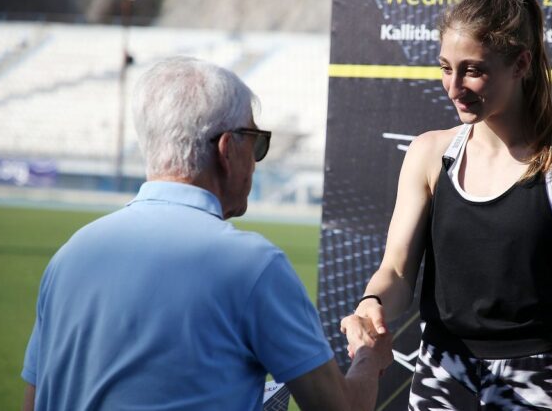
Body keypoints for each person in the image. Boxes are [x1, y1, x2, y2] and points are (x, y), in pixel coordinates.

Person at [21, 57, 392, 411]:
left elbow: (34, 401)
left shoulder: (68, 257)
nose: (256, 160)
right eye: (255, 142)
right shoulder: (253, 266)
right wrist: (368, 355)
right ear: (227, 149)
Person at [341, 0, 552, 410]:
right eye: (446, 68)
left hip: (535, 382)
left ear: (521, 64)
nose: (454, 87)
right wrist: (372, 304)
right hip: (438, 377)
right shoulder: (428, 153)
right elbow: (397, 271)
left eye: (473, 70)